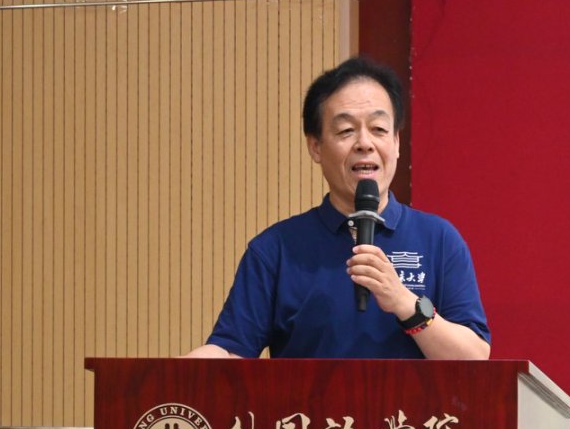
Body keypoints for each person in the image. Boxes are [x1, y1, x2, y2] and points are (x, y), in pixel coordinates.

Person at [185, 57, 490, 360]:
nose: (364, 143)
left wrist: (404, 303)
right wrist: (172, 374)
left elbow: (475, 358)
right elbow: (230, 351)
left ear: (397, 142)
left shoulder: (439, 240)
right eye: (346, 131)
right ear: (315, 146)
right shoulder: (276, 249)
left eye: (379, 129)